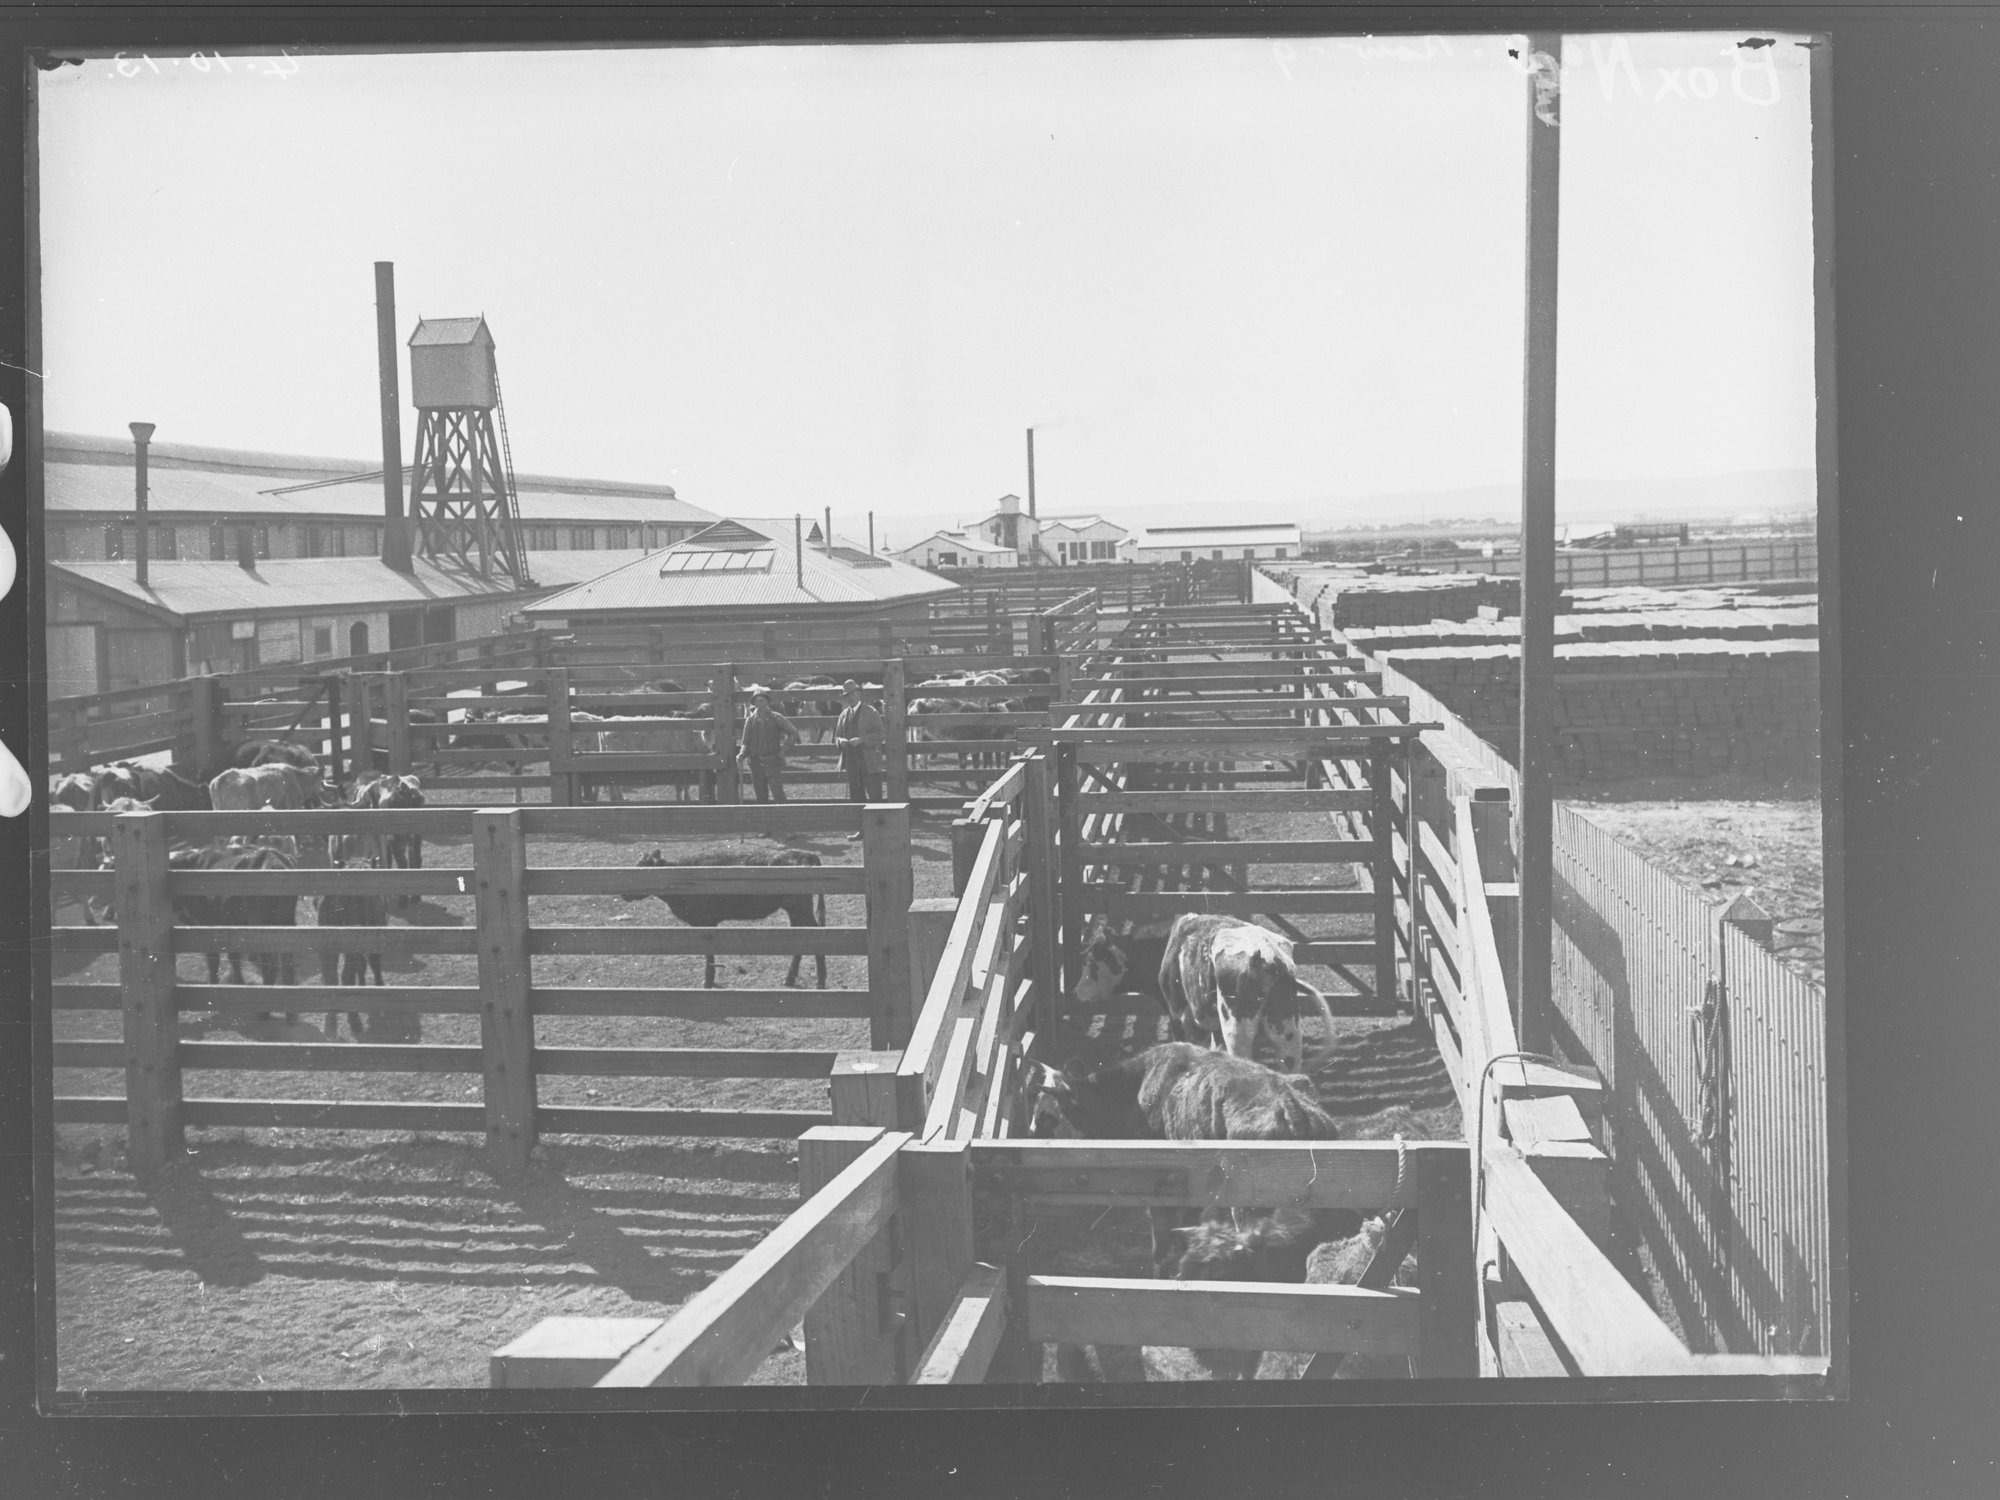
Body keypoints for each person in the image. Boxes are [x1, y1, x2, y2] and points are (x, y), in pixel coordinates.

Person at [832, 678, 885, 831]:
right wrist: (840, 741)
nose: (851, 697)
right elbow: (836, 736)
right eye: (847, 695)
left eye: (853, 693)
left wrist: (862, 740)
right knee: (856, 797)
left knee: (875, 797)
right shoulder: (843, 715)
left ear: (859, 694)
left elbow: (881, 734)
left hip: (869, 761)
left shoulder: (870, 712)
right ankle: (860, 830)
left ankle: (878, 831)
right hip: (851, 761)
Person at [738, 686, 801, 803]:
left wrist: (783, 751)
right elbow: (745, 742)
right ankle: (764, 820)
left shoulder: (776, 717)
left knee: (778, 793)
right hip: (755, 762)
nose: (759, 703)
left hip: (772, 760)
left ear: (767, 701)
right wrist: (742, 754)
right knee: (760, 794)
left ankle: (782, 818)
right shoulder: (750, 720)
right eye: (757, 701)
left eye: (762, 700)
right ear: (754, 703)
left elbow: (793, 733)